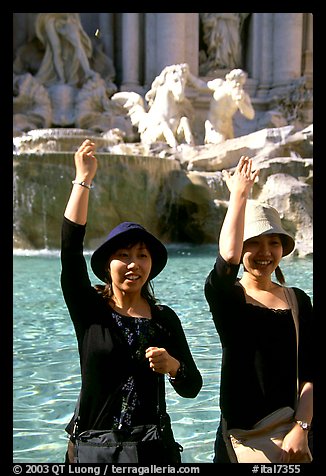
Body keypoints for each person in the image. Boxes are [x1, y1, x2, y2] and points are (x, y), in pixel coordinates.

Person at [61, 139, 202, 463]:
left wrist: (174, 367)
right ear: (108, 265)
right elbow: (69, 252)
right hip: (95, 450)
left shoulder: (163, 318)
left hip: (152, 450)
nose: (133, 264)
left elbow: (192, 386)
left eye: (142, 256)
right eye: (123, 256)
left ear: (151, 266)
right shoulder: (90, 311)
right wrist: (83, 180)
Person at [204, 156, 313, 463]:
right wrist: (239, 196)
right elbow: (226, 260)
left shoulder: (298, 300)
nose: (265, 252)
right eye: (254, 243)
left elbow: (310, 371)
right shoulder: (227, 297)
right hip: (242, 441)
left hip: (295, 436)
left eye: (274, 242)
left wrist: (301, 429)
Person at [204, 68, 255, 144]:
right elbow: (201, 85)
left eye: (241, 83)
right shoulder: (220, 84)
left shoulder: (242, 95)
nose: (238, 85)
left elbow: (251, 115)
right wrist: (188, 77)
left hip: (227, 127)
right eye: (236, 81)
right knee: (219, 141)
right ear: (230, 79)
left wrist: (241, 104)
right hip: (213, 124)